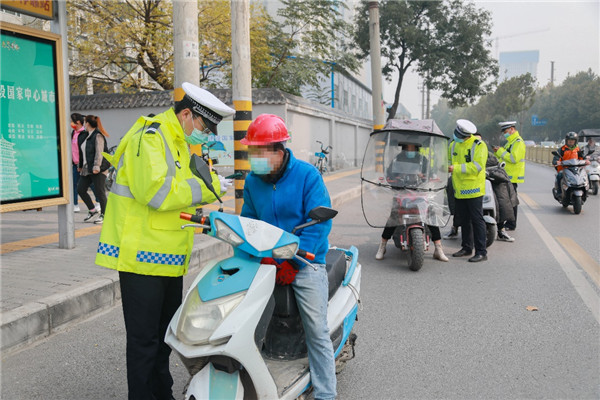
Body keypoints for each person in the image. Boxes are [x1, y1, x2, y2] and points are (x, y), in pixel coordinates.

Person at [95, 82, 234, 400]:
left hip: (167, 256)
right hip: (141, 256)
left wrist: (213, 183)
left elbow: (183, 185)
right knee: (145, 342)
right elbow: (156, 192)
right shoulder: (154, 136)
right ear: (187, 114)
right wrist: (205, 190)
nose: (206, 134)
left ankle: (162, 393)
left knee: (163, 339)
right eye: (204, 126)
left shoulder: (178, 141)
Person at [240, 114, 337, 400]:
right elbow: (248, 223)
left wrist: (292, 262)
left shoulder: (308, 176)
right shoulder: (252, 181)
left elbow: (318, 225)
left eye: (259, 153)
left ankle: (325, 394)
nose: (253, 159)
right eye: (252, 152)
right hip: (267, 260)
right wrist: (253, 254)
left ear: (278, 152)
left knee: (316, 330)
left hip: (305, 262)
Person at [375, 143, 448, 262]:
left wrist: (426, 176)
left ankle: (438, 249)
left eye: (413, 148)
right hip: (402, 191)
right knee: (394, 216)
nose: (410, 150)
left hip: (420, 190)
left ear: (416, 148)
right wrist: (395, 177)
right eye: (408, 147)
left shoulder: (422, 159)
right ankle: (382, 246)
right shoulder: (398, 158)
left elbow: (431, 173)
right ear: (404, 147)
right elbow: (389, 174)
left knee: (430, 215)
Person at [449, 119, 488, 263]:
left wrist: (456, 168)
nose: (456, 136)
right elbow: (448, 161)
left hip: (474, 189)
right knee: (464, 220)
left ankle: (481, 252)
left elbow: (477, 166)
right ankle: (466, 248)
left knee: (477, 220)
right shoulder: (453, 145)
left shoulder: (479, 145)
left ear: (466, 135)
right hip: (459, 189)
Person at [473, 133, 517, 242]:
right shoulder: (467, 154)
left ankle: (501, 230)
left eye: (480, 141)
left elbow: (497, 166)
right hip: (471, 186)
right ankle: (454, 227)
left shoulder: (489, 155)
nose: (478, 144)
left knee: (501, 200)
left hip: (489, 184)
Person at [492, 121, 525, 231]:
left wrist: (500, 151)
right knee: (508, 200)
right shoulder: (510, 142)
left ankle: (511, 223)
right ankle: (509, 222)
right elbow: (504, 157)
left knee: (512, 200)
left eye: (506, 131)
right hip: (507, 175)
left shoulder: (518, 142)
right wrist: (498, 151)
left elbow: (513, 158)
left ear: (512, 129)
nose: (505, 134)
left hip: (513, 176)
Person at [77, 115, 110, 224]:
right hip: (88, 168)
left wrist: (97, 167)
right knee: (80, 189)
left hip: (98, 168)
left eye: (85, 122)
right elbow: (83, 153)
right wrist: (80, 166)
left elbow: (99, 153)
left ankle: (105, 215)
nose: (84, 124)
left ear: (88, 123)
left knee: (100, 192)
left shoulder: (97, 136)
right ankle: (92, 210)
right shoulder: (86, 136)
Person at [71, 112, 100, 213]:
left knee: (91, 184)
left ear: (78, 122)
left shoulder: (86, 134)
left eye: (72, 121)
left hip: (85, 164)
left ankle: (98, 202)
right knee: (75, 185)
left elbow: (87, 150)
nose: (71, 123)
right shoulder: (73, 133)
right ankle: (75, 204)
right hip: (76, 164)